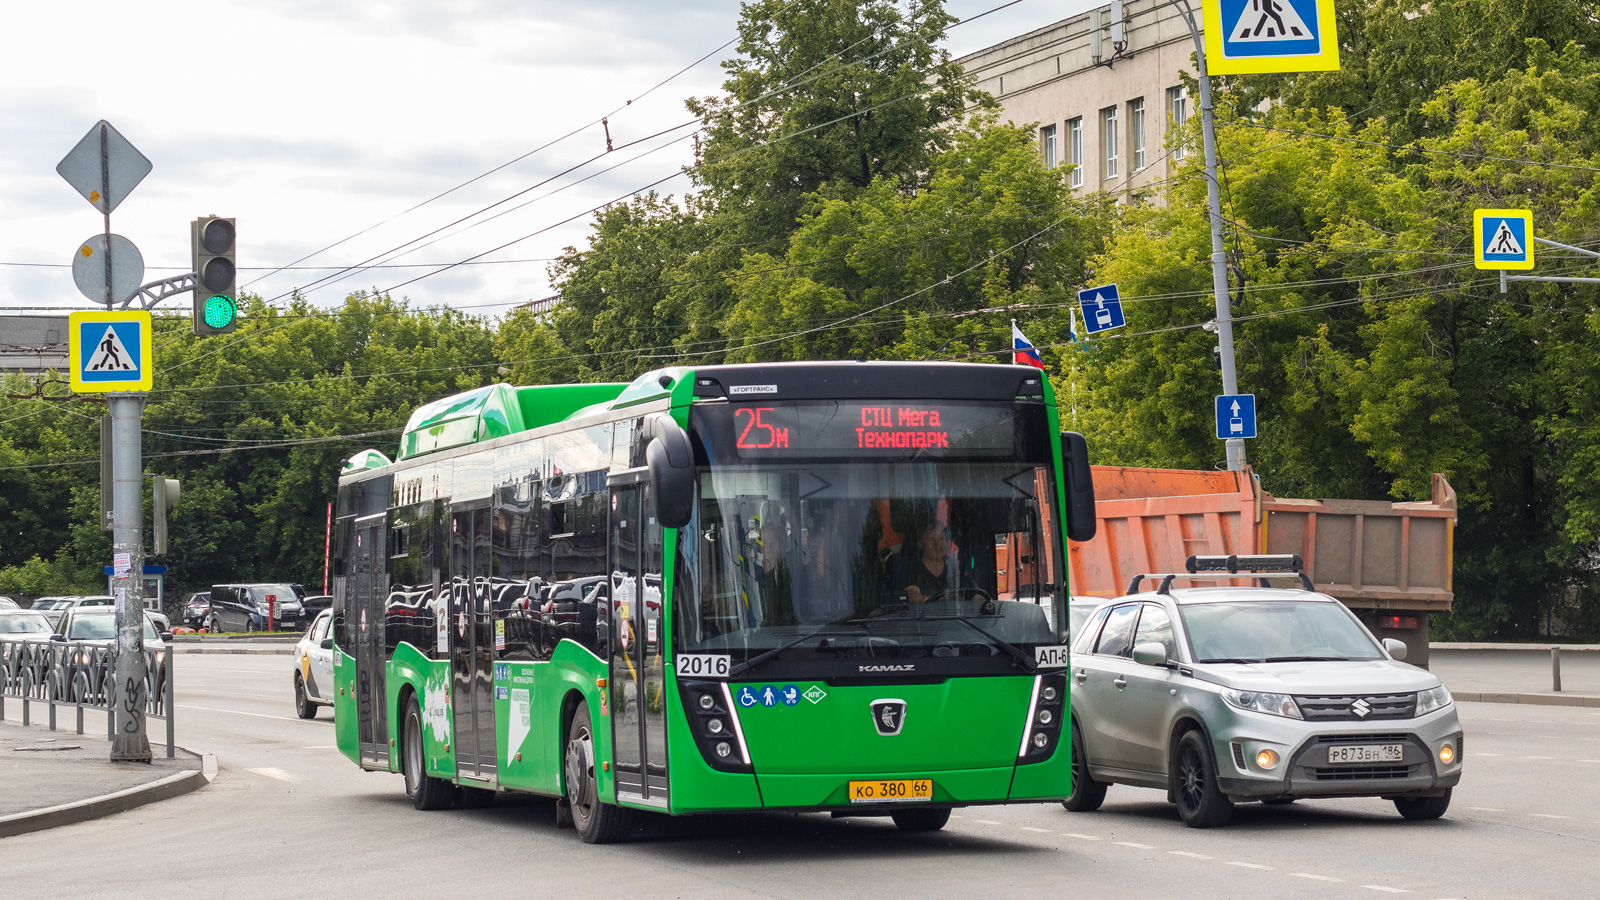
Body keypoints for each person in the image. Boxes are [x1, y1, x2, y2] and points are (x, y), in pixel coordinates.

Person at [894, 521, 959, 604]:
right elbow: (912, 596)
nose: (938, 545)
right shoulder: (910, 571)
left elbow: (977, 596)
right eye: (932, 540)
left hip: (957, 617)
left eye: (941, 539)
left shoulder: (956, 568)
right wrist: (933, 600)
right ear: (920, 543)